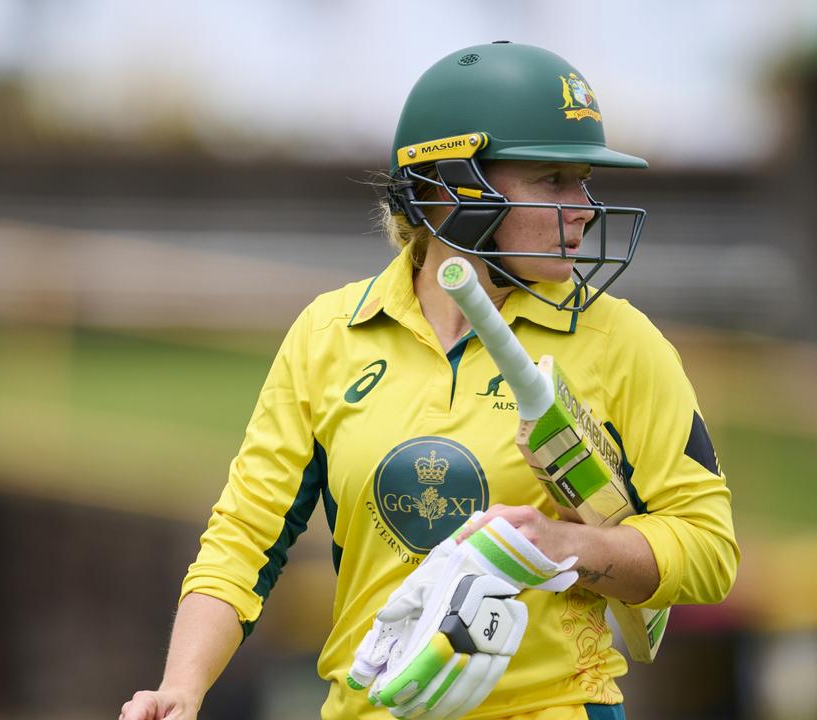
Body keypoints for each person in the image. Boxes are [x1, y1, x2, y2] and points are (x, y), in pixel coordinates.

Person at [119, 41, 739, 720]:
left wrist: (567, 546)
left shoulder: (622, 343)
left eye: (584, 180)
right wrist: (182, 686)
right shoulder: (328, 335)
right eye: (553, 180)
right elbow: (244, 540)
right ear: (452, 186)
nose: (585, 207)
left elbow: (708, 551)